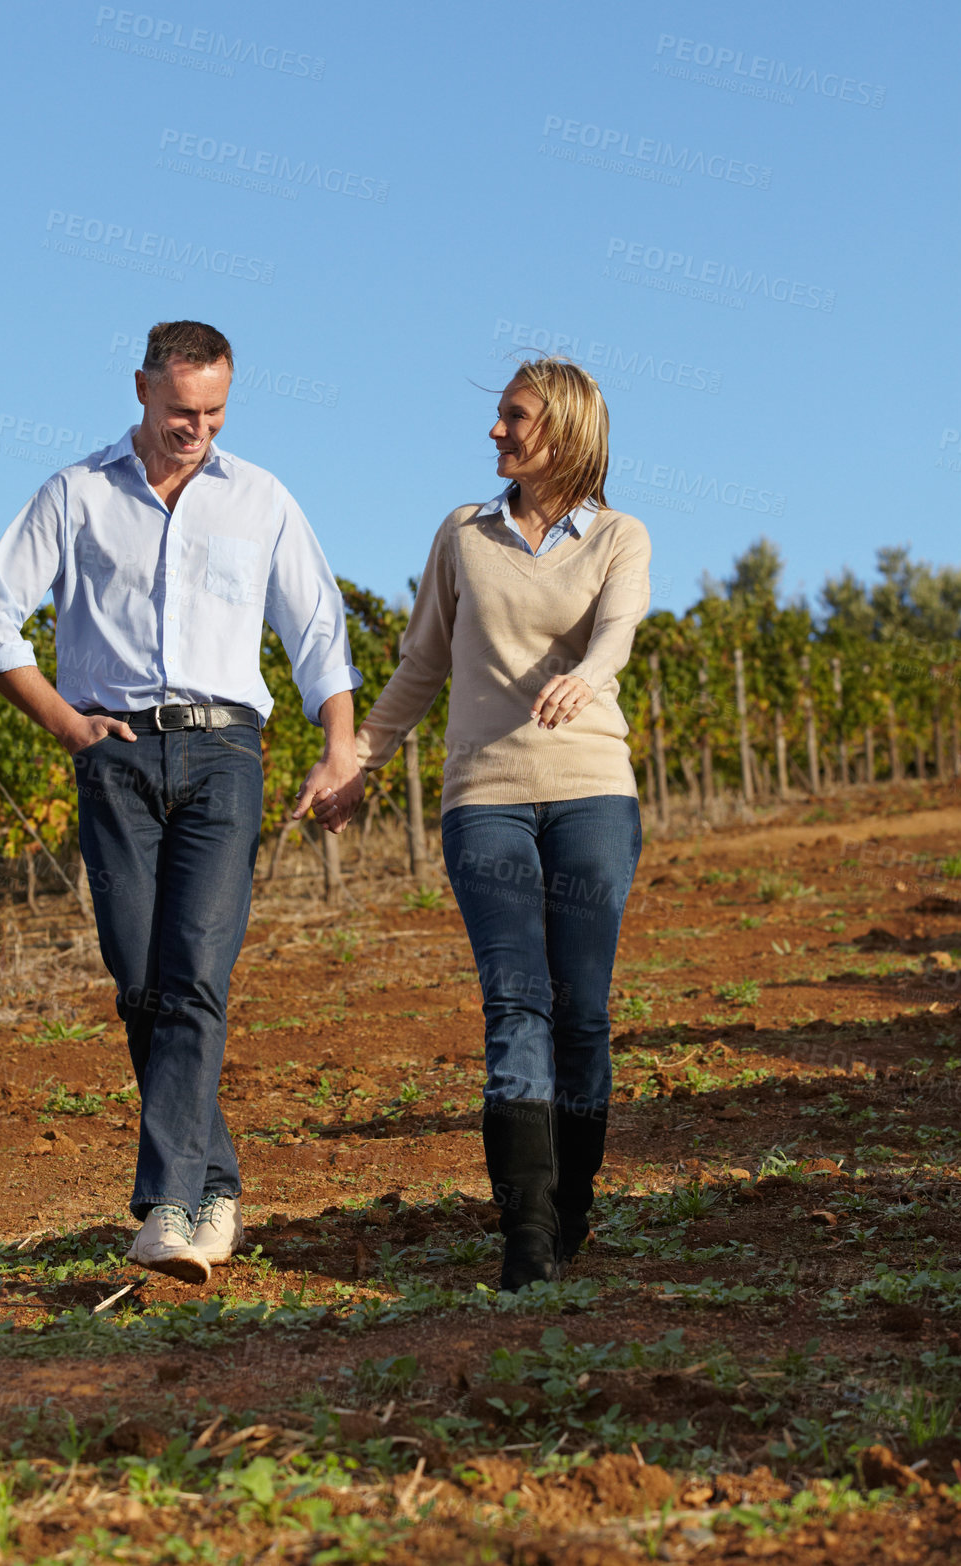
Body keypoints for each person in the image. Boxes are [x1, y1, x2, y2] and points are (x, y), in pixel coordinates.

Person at [0, 320, 362, 1283]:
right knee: (140, 978)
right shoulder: (77, 493)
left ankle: (170, 1207)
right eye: (181, 409)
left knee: (194, 972)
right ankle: (216, 1185)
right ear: (141, 388)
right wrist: (68, 727)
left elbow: (317, 633)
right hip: (118, 755)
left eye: (215, 411)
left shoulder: (259, 498)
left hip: (225, 752)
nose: (197, 428)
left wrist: (340, 746)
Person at [344, 358, 650, 1292]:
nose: (495, 432)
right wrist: (360, 757)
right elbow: (421, 663)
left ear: (561, 428)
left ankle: (572, 1207)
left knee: (582, 1010)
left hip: (593, 786)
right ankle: (523, 1229)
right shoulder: (463, 535)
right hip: (484, 797)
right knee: (516, 1001)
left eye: (513, 418)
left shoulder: (620, 537)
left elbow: (619, 631)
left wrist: (588, 679)